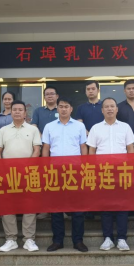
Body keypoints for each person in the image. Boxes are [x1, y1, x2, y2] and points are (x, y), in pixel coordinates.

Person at [87, 97, 134, 251]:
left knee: (122, 206)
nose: (109, 109)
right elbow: (92, 151)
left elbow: (130, 149)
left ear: (117, 109)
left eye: (112, 106)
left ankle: (121, 238)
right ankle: (107, 238)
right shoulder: (95, 128)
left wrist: (130, 168)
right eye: (106, 107)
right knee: (105, 206)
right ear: (102, 110)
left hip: (122, 171)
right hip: (103, 172)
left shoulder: (125, 127)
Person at [42, 97, 89, 253]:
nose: (63, 109)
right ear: (57, 108)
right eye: (61, 106)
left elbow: (83, 147)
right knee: (56, 208)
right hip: (55, 171)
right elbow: (46, 148)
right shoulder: (49, 126)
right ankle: (57, 241)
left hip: (75, 171)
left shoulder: (79, 126)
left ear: (71, 109)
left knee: (78, 209)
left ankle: (78, 241)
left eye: (66, 106)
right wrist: (45, 168)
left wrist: (84, 167)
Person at [0, 100, 42, 252]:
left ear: (25, 113)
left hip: (28, 173)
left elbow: (37, 150)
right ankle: (11, 239)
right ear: (11, 112)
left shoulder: (33, 129)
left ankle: (29, 239)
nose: (17, 112)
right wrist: (1, 169)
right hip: (8, 173)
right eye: (14, 109)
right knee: (8, 205)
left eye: (20, 110)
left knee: (29, 205)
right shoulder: (3, 130)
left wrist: (28, 168)